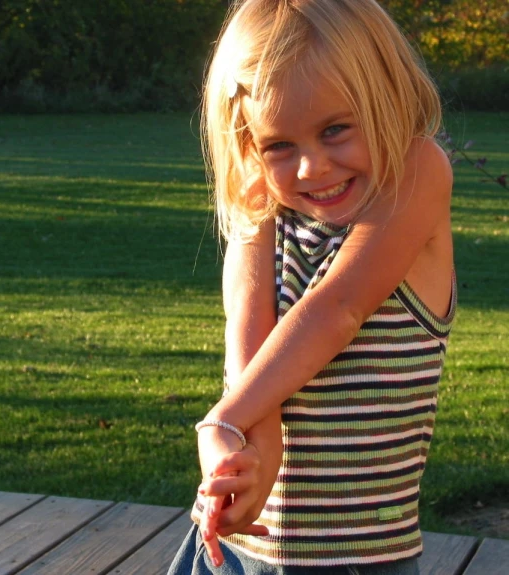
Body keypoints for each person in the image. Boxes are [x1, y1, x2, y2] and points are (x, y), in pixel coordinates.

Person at [167, 0, 455, 573]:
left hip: (355, 558)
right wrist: (246, 444)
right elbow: (248, 349)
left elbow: (337, 309)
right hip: (237, 554)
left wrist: (222, 421)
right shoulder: (259, 203)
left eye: (335, 130)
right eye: (279, 145)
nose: (311, 167)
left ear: (388, 96)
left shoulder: (418, 173)